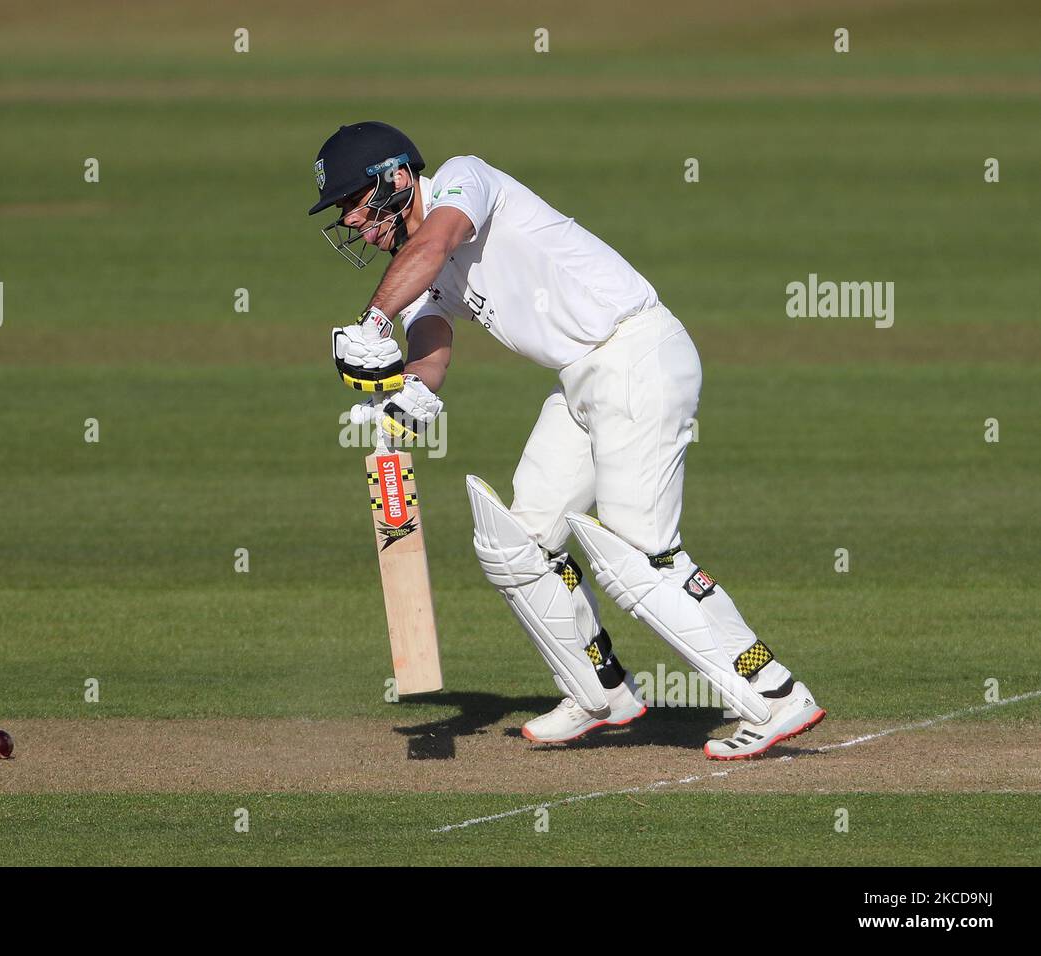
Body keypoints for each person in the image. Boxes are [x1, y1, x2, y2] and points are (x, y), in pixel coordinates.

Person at [309, 121, 825, 759]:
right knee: (517, 541)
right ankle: (602, 692)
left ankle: (773, 693)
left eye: (355, 204)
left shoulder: (464, 180)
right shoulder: (414, 270)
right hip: (581, 379)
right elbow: (431, 347)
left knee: (641, 554)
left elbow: (438, 244)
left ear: (398, 178)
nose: (354, 224)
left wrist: (369, 322)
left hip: (636, 353)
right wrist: (406, 399)